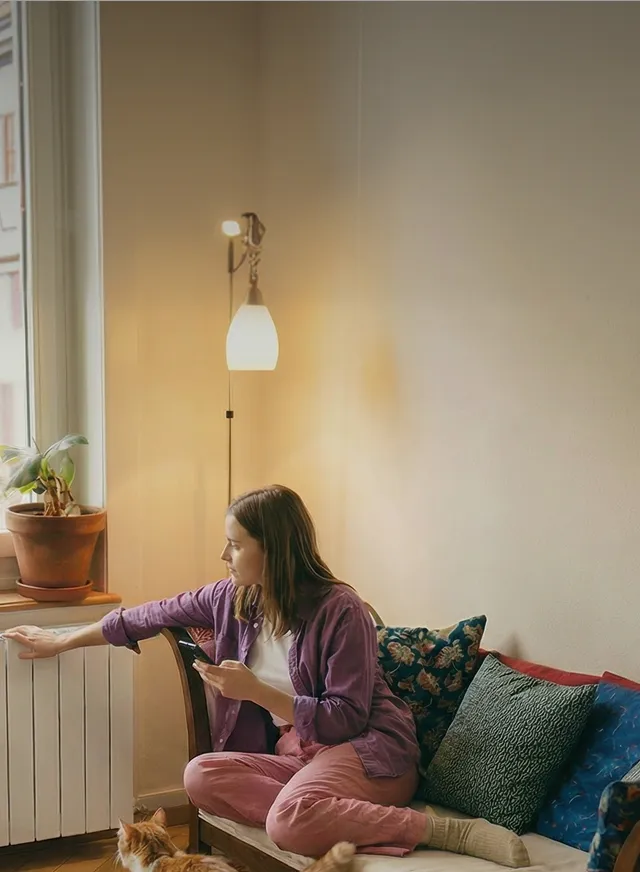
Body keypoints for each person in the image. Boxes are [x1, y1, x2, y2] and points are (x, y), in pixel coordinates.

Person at [3, 485, 529, 866]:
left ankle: (443, 831)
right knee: (199, 775)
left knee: (286, 821)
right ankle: (315, 813)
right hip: (300, 757)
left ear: (270, 549)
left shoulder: (339, 609)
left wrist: (257, 692)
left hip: (370, 751)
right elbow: (148, 615)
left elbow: (346, 719)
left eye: (235, 544)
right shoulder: (233, 598)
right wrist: (62, 640)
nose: (224, 555)